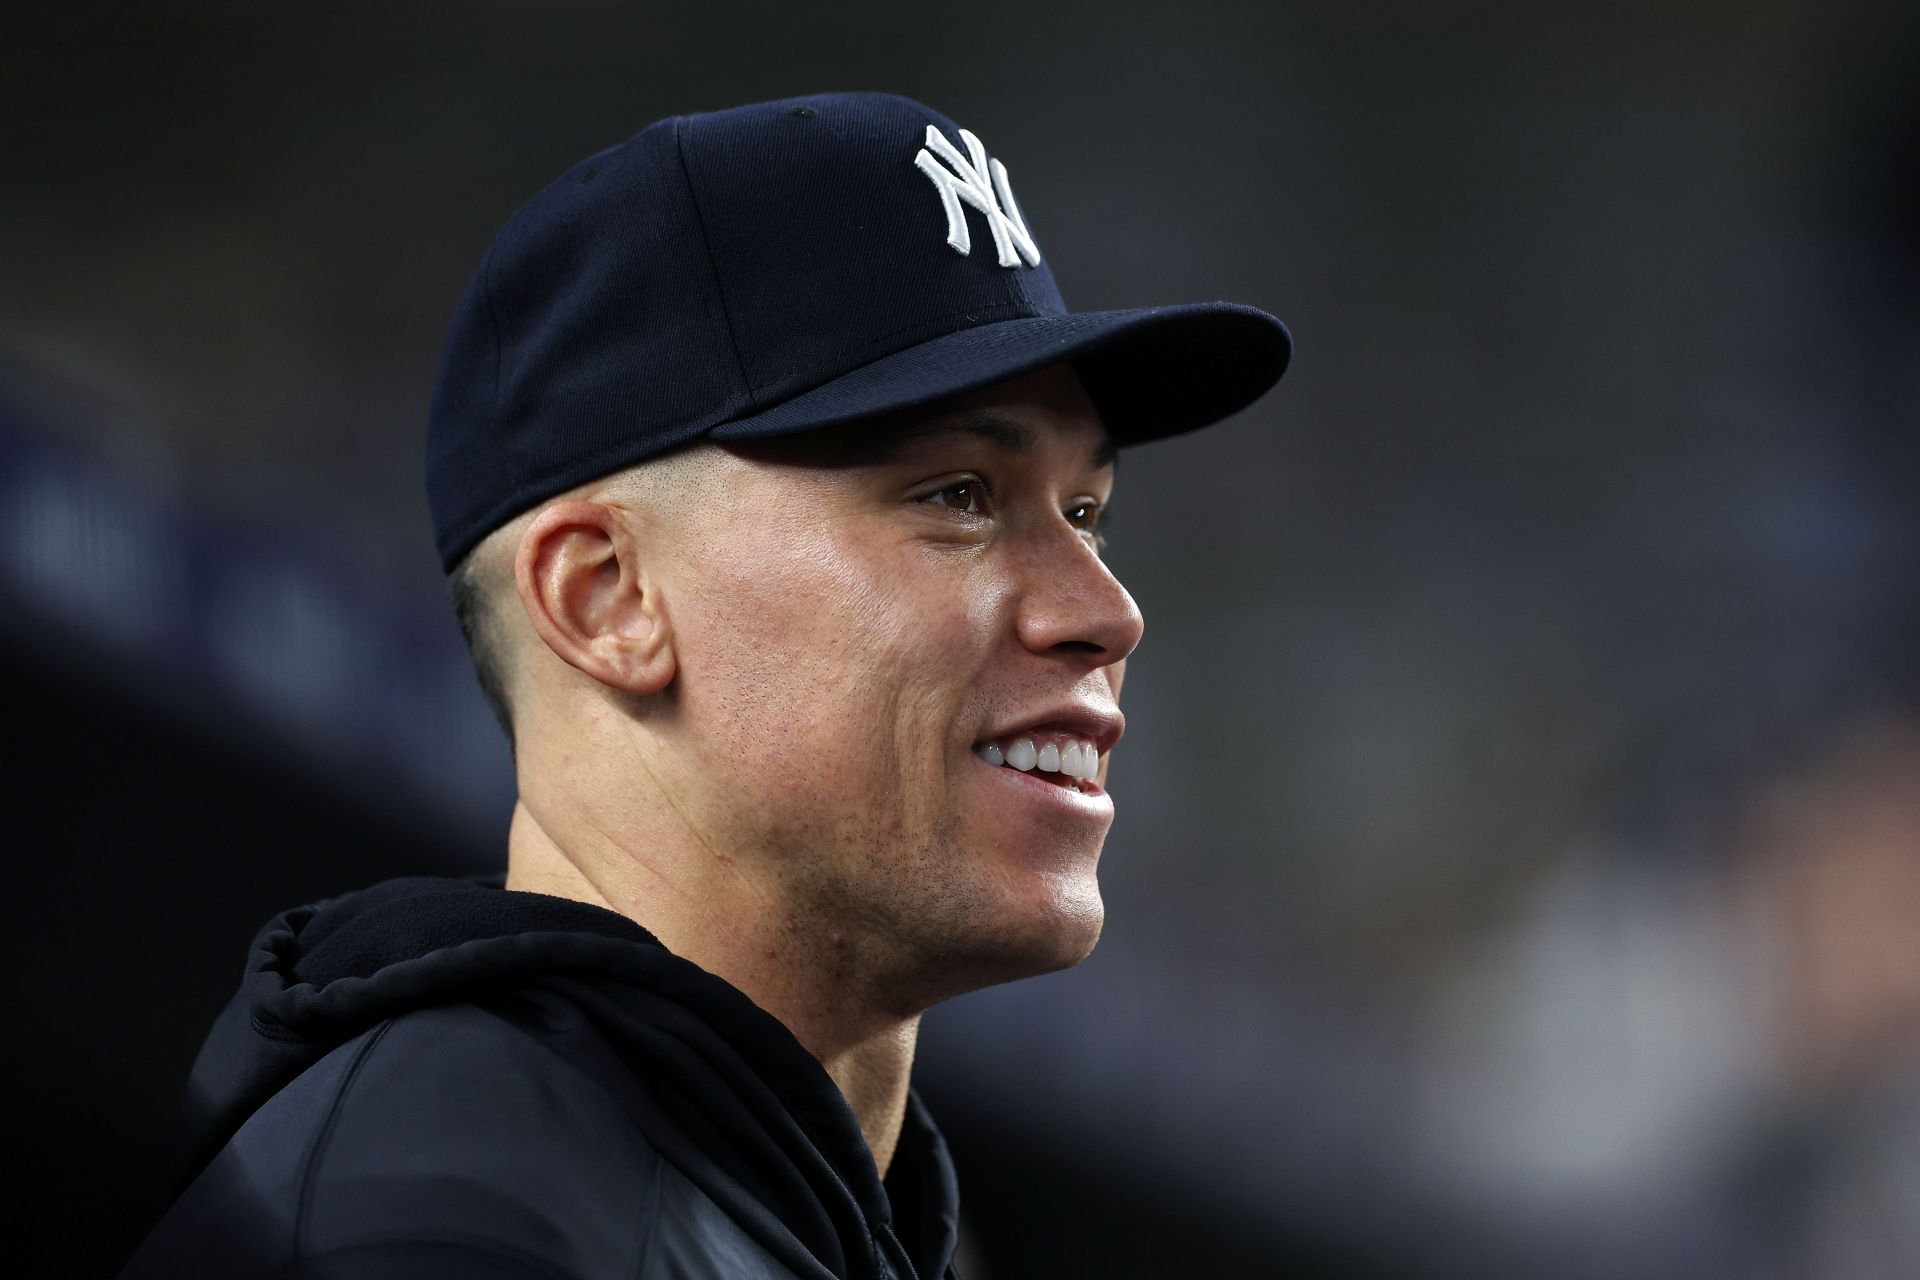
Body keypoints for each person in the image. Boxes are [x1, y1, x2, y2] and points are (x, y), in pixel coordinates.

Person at [121, 91, 1290, 1279]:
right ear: (606, 599)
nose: (1106, 610)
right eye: (958, 496)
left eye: (1086, 513)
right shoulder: (440, 1219)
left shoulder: (766, 1204)